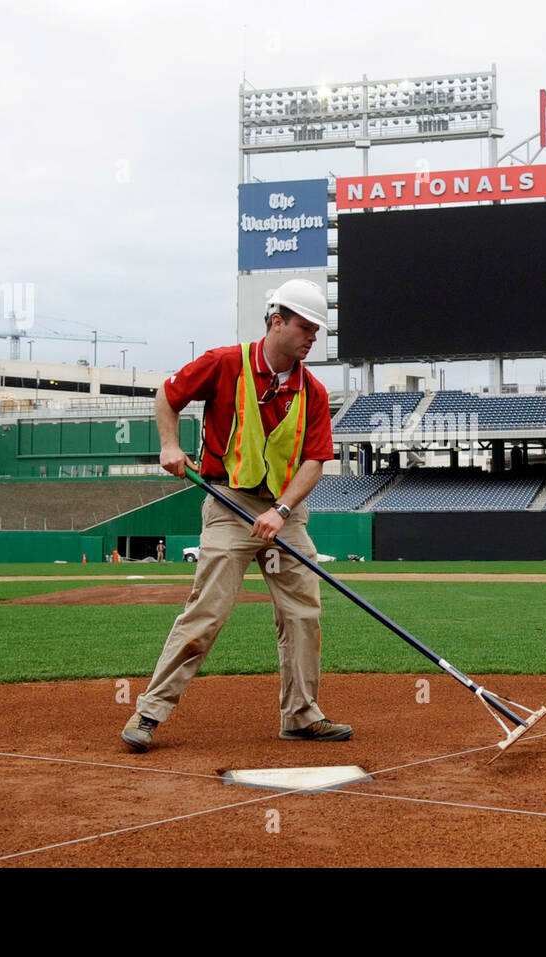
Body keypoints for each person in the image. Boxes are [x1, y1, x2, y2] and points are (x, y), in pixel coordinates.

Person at [121, 278, 349, 752]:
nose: (311, 338)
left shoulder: (315, 392)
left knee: (303, 612)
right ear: (276, 321)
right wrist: (168, 443)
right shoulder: (224, 363)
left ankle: (301, 715)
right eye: (305, 327)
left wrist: (283, 510)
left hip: (285, 510)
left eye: (317, 331)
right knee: (208, 611)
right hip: (228, 505)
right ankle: (149, 712)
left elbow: (314, 461)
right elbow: (168, 395)